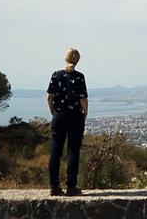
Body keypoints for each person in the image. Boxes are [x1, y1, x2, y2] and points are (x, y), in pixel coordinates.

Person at [47, 47, 88, 196]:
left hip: (59, 116)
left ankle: (54, 187)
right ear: (77, 60)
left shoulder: (55, 75)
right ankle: (71, 187)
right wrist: (85, 114)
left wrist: (54, 112)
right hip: (75, 117)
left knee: (55, 152)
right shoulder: (79, 77)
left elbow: (49, 98)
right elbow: (83, 99)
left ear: (65, 58)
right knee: (73, 152)